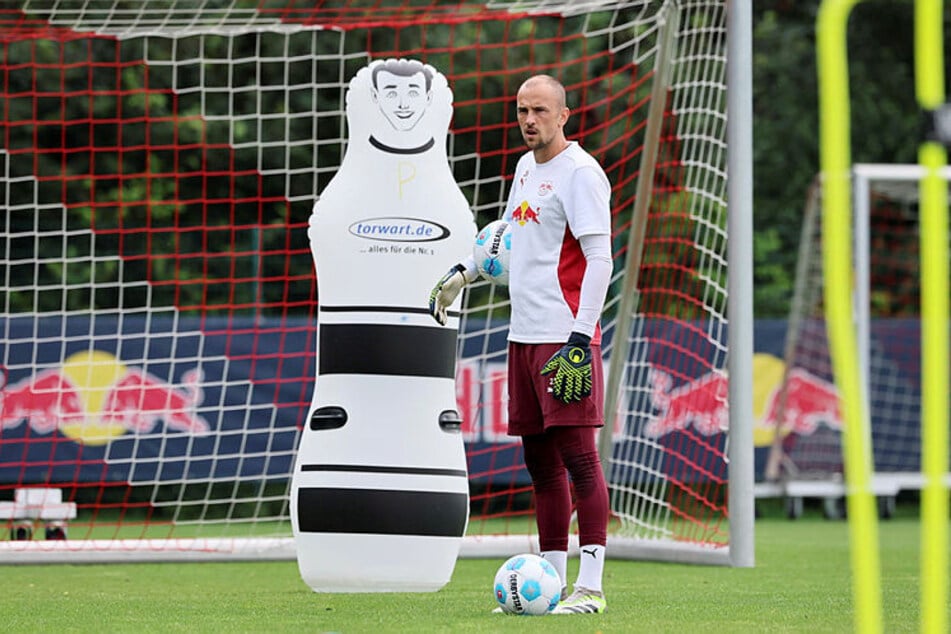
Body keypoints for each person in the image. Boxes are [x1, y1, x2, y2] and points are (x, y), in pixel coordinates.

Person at [428, 74, 612, 615]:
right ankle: (553, 587)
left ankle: (591, 588)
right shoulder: (525, 168)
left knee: (580, 460)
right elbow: (505, 238)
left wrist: (581, 336)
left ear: (564, 115)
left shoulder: (581, 174)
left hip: (564, 337)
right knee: (541, 465)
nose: (529, 120)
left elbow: (600, 260)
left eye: (539, 110)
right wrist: (466, 271)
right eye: (521, 110)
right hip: (523, 335)